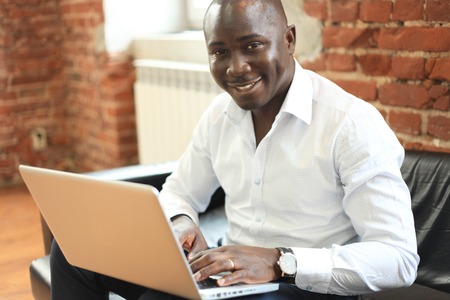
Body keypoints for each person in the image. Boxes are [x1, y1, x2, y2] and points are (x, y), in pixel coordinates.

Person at [50, 0, 419, 299]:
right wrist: (182, 224)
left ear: (289, 39)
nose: (236, 68)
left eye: (252, 45)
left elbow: (399, 259)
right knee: (74, 253)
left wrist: (281, 263)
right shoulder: (219, 116)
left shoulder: (350, 125)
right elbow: (179, 192)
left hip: (301, 287)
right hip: (226, 276)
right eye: (220, 52)